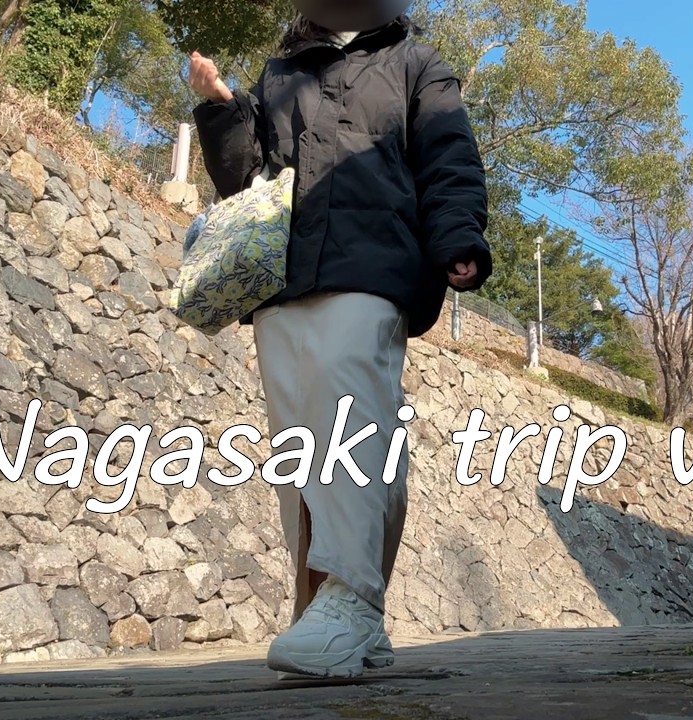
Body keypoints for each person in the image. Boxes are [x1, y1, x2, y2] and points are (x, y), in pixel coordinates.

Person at [189, 8, 491, 679]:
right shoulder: (280, 73)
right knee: (300, 450)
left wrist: (458, 235)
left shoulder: (417, 65)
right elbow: (246, 182)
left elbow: (449, 160)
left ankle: (349, 595)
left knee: (346, 408)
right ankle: (328, 611)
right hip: (282, 279)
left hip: (374, 268)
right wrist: (222, 110)